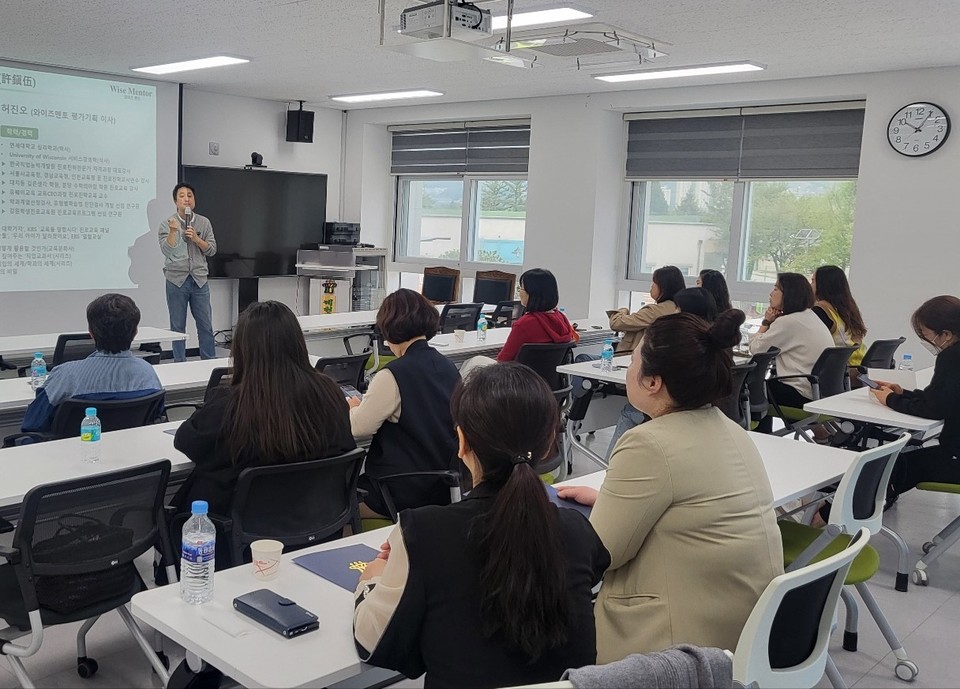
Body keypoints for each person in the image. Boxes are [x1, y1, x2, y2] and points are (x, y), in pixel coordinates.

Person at [353, 363, 610, 688]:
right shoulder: (577, 531)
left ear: (461, 442)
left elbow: (372, 642)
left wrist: (372, 579)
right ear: (547, 445)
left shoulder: (424, 531)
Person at [558, 311, 783, 662]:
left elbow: (600, 554)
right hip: (743, 630)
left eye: (632, 361)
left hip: (677, 648)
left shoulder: (648, 443)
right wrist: (611, 502)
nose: (628, 369)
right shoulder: (731, 430)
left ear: (653, 382)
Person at [172, 301, 356, 517]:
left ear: (242, 351)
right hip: (316, 528)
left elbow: (186, 441)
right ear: (297, 344)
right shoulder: (329, 394)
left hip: (237, 539)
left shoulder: (230, 406)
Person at [348, 289, 461, 518]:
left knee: (337, 503)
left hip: (401, 490)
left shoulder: (392, 375)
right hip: (445, 485)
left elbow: (359, 428)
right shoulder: (448, 366)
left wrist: (353, 409)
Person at [21, 294, 162, 433]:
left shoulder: (64, 375)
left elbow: (32, 424)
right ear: (136, 332)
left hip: (68, 453)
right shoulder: (147, 373)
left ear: (91, 333)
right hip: (133, 452)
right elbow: (156, 417)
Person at [874, 296, 960, 504]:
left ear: (946, 334)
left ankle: (828, 517)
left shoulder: (952, 356)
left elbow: (934, 409)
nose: (927, 341)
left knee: (896, 466)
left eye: (927, 335)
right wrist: (902, 393)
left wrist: (891, 400)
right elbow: (942, 398)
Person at [748, 273, 834, 428]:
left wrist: (766, 322)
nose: (770, 293)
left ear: (788, 294)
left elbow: (756, 349)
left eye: (775, 289)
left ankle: (759, 437)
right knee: (762, 388)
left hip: (800, 393)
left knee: (751, 390)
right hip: (817, 391)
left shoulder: (789, 322)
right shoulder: (810, 316)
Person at [159, 183, 218, 362]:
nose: (186, 199)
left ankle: (209, 362)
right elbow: (166, 251)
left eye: (190, 195)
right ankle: (179, 364)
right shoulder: (167, 223)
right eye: (182, 196)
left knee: (205, 325)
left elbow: (212, 250)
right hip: (176, 280)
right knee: (177, 327)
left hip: (199, 280)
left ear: (194, 200)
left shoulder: (203, 222)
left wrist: (197, 239)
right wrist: (173, 231)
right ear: (175, 201)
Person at [496, 268, 578, 362]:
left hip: (520, 375)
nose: (520, 292)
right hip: (551, 376)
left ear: (532, 293)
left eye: (521, 288)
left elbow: (503, 360)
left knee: (478, 360)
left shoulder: (524, 324)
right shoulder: (562, 318)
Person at [607, 265, 684, 354]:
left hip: (628, 359)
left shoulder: (654, 312)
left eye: (654, 282)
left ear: (663, 287)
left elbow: (616, 323)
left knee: (587, 357)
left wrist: (622, 311)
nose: (651, 286)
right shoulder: (679, 307)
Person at [811, 265, 867, 367]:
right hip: (856, 367)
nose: (810, 285)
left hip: (843, 371)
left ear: (822, 285)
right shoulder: (847, 308)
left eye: (813, 281)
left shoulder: (820, 311)